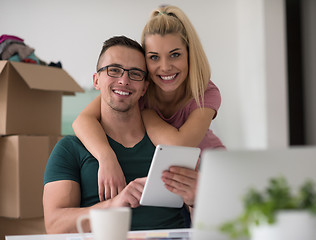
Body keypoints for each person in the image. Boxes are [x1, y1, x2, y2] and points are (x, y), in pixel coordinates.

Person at [43, 36, 197, 233]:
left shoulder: (167, 142)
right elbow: (54, 225)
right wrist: (113, 206)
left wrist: (197, 199)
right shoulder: (70, 149)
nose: (124, 80)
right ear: (96, 80)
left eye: (135, 74)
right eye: (114, 70)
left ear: (144, 88)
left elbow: (207, 219)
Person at [72, 5, 225, 202]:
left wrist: (146, 115)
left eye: (175, 54)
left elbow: (180, 145)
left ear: (190, 55)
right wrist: (106, 158)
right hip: (174, 173)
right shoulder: (139, 86)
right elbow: (82, 120)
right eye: (154, 57)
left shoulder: (204, 91)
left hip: (209, 165)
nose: (165, 67)